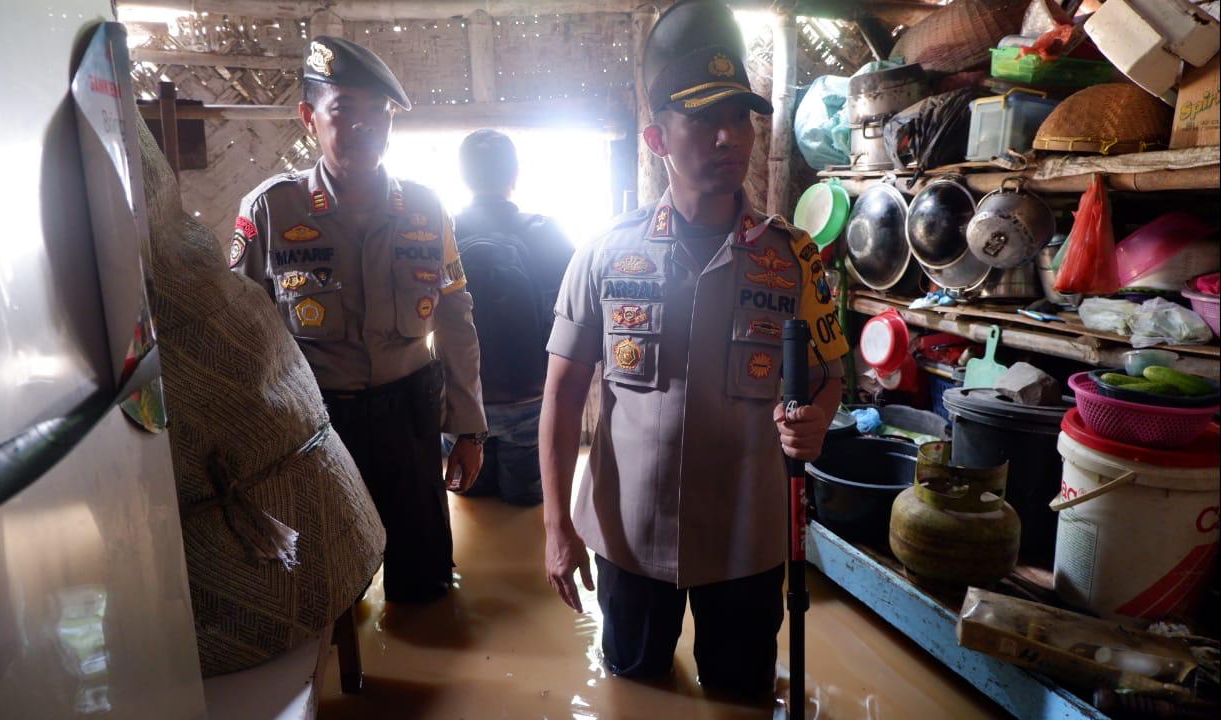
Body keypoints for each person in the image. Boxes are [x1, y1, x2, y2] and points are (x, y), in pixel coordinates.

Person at [539, 0, 849, 698]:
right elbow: (560, 397)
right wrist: (557, 527)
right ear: (656, 138)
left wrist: (820, 416)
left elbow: (831, 376)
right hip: (627, 537)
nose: (727, 136)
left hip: (748, 538)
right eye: (705, 118)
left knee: (740, 693)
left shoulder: (793, 257)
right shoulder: (605, 255)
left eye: (738, 117)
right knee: (634, 684)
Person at [231, 36, 488, 604]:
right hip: (318, 423)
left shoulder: (426, 207)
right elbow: (242, 336)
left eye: (379, 112)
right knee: (330, 586)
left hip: (411, 416)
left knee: (424, 585)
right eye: (345, 111)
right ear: (310, 118)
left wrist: (467, 428)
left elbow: (456, 320)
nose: (364, 126)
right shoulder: (271, 210)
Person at [451, 129, 574, 507]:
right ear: (515, 174)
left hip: (466, 402)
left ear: (463, 175)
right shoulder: (546, 232)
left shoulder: (443, 232)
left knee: (473, 499)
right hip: (530, 395)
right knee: (524, 501)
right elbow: (576, 314)